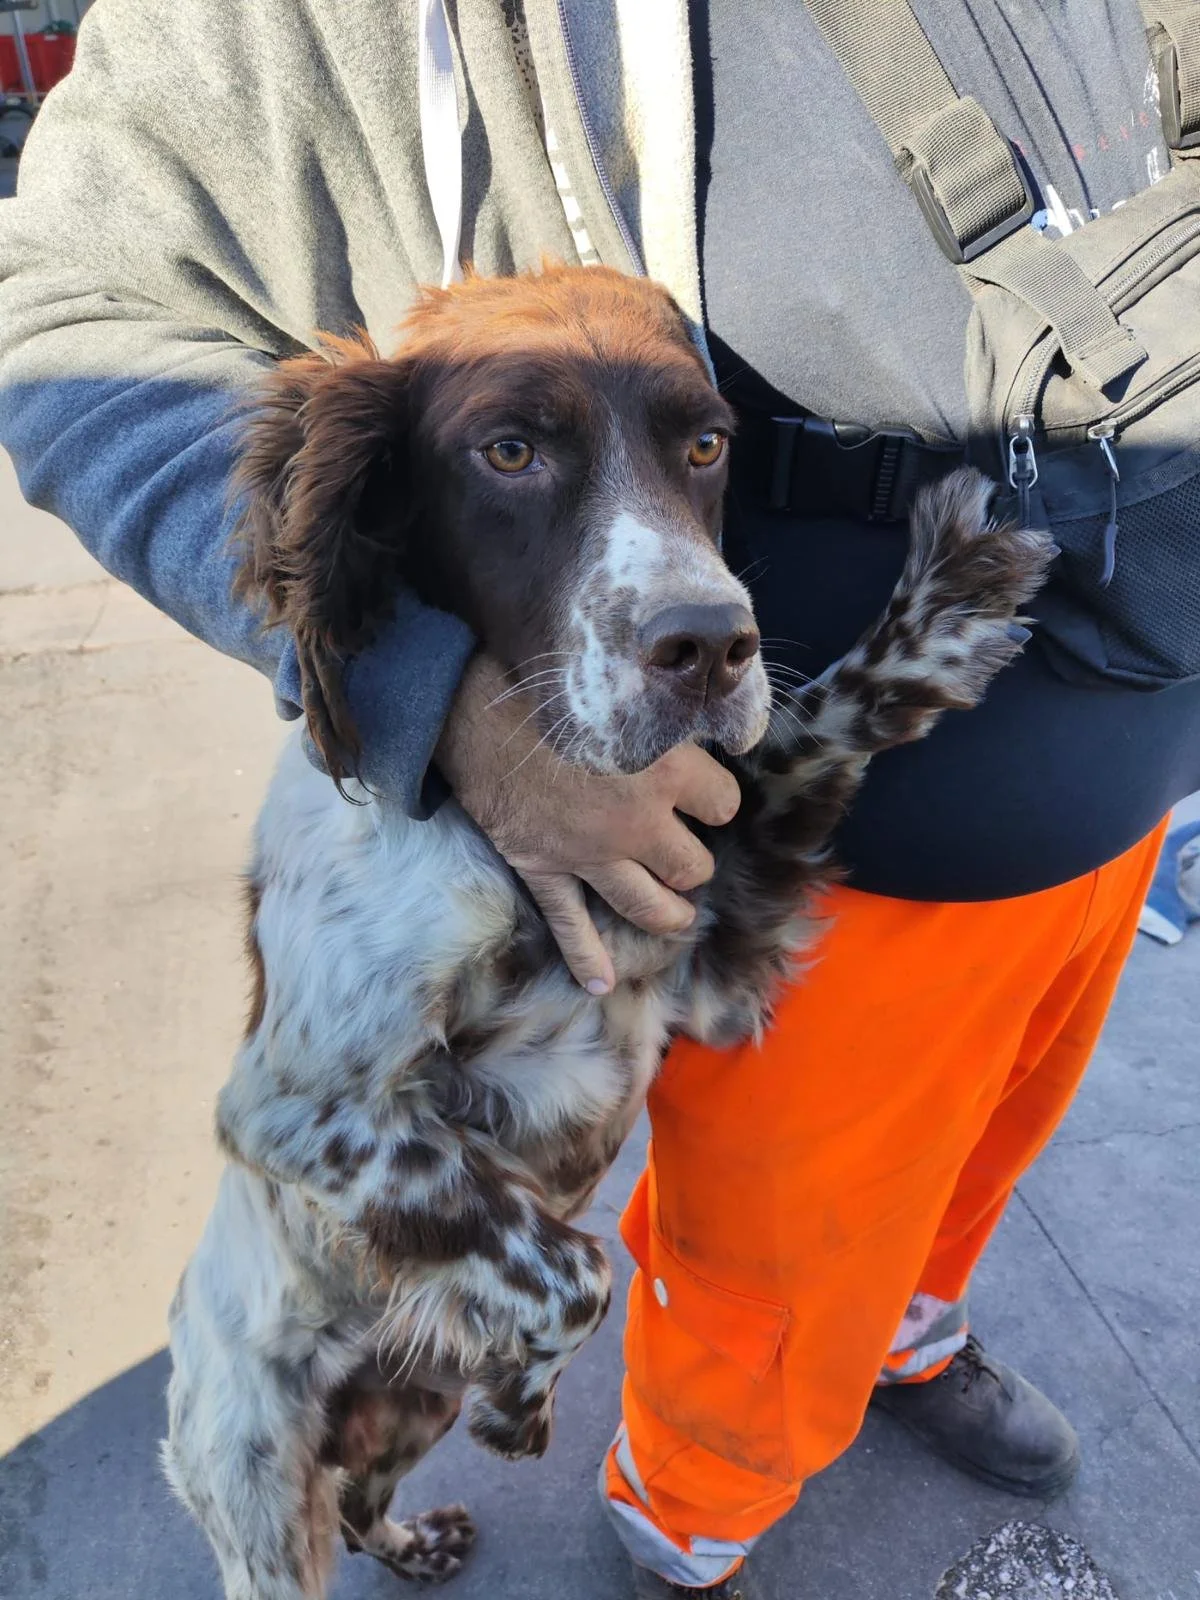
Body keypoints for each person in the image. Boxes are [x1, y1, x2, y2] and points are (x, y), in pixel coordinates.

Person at [2, 4, 1198, 1596]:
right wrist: (450, 714)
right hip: (294, 1349)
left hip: (1106, 759)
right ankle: (668, 1522)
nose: (689, 568)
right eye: (511, 450)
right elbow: (289, 1113)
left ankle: (874, 1331)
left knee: (409, 1466)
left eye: (698, 449)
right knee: (297, 1527)